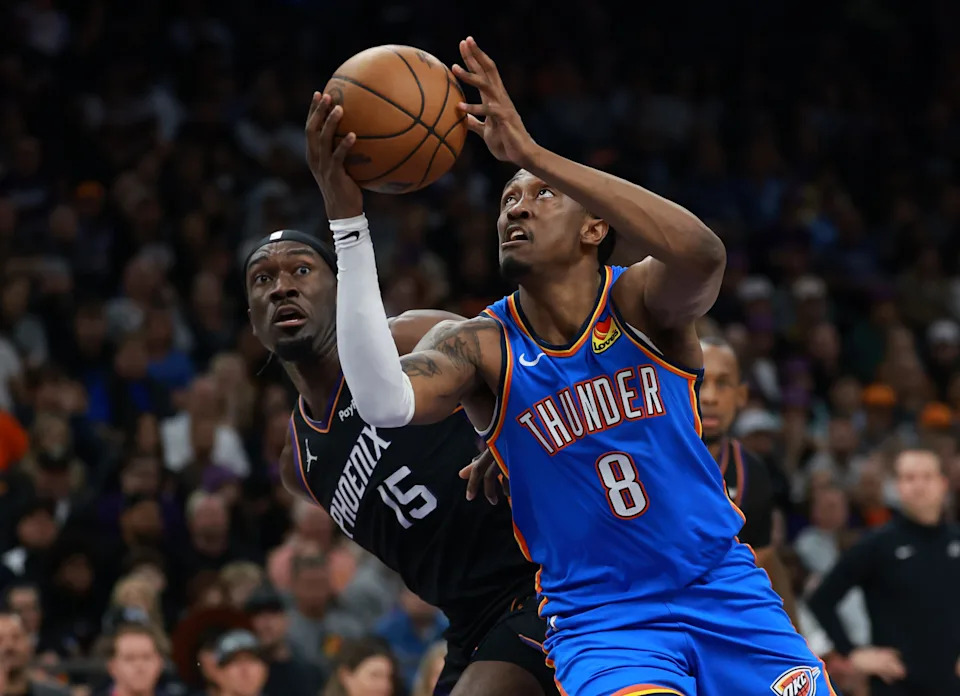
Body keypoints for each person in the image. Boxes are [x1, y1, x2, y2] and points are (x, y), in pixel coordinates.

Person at [320, 36, 837, 696]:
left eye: (542, 196)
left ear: (595, 228)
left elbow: (703, 255)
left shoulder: (639, 304)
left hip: (722, 591)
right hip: (606, 623)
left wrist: (533, 154)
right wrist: (347, 223)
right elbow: (382, 402)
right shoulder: (482, 345)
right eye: (508, 199)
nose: (517, 205)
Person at [244, 214, 555, 692]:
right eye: (263, 279)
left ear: (342, 289)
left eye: (301, 271)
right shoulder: (297, 464)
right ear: (252, 317)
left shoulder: (409, 337)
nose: (282, 287)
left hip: (543, 580)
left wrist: (515, 427)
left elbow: (552, 374)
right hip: (470, 623)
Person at [808, 449, 960, 695]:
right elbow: (821, 600)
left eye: (927, 477)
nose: (919, 486)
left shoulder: (956, 539)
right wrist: (853, 652)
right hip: (897, 685)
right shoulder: (877, 544)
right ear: (897, 486)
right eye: (909, 478)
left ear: (943, 483)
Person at [699, 336, 798, 623]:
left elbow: (763, 562)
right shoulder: (644, 456)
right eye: (700, 381)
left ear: (741, 396)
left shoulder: (752, 473)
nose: (710, 397)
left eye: (723, 384)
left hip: (721, 617)